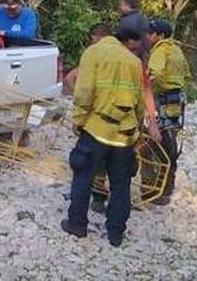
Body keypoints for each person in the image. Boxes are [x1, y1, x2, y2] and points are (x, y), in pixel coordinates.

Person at [62, 28, 145, 247]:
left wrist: (78, 120)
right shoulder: (133, 60)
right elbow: (139, 101)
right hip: (124, 135)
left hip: (97, 128)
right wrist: (138, 133)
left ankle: (77, 226)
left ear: (98, 38)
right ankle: (115, 234)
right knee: (121, 185)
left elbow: (84, 92)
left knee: (83, 177)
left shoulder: (93, 53)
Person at [146, 19, 190, 205]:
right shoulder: (177, 49)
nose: (147, 37)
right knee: (170, 144)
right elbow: (187, 74)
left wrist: (144, 92)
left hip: (163, 100)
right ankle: (167, 189)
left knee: (155, 143)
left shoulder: (160, 50)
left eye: (150, 33)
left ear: (160, 36)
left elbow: (152, 74)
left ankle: (153, 190)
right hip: (177, 100)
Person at [63, 23, 110, 95]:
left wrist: (78, 97)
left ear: (93, 37)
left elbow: (70, 78)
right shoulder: (120, 52)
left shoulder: (93, 52)